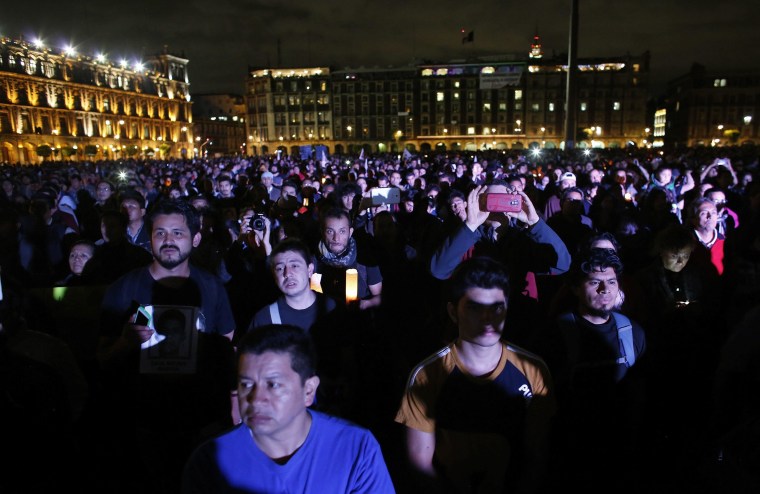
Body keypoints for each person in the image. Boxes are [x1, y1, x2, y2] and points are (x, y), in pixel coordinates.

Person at [95, 198, 237, 494]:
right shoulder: (124, 289)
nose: (168, 241)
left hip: (202, 421)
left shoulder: (211, 287)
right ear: (150, 238)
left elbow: (226, 346)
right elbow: (102, 360)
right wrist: (126, 343)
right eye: (160, 233)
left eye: (178, 233)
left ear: (195, 239)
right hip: (144, 424)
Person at [395, 256, 555, 494]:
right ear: (453, 311)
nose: (487, 318)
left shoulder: (532, 370)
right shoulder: (426, 374)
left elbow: (537, 455)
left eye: (497, 307)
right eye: (474, 307)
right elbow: (420, 463)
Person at [181, 324, 396, 494]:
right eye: (246, 384)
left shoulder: (356, 448)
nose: (257, 399)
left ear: (309, 390)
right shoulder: (210, 461)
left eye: (273, 385)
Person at [537, 248, 647, 493]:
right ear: (575, 288)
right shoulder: (555, 335)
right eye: (595, 282)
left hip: (620, 454)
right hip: (571, 456)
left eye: (611, 281)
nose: (604, 289)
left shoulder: (632, 332)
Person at [249, 238, 336, 332]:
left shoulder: (333, 308)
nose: (287, 273)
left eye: (294, 266)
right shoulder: (264, 319)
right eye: (280, 268)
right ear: (274, 276)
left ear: (310, 270)